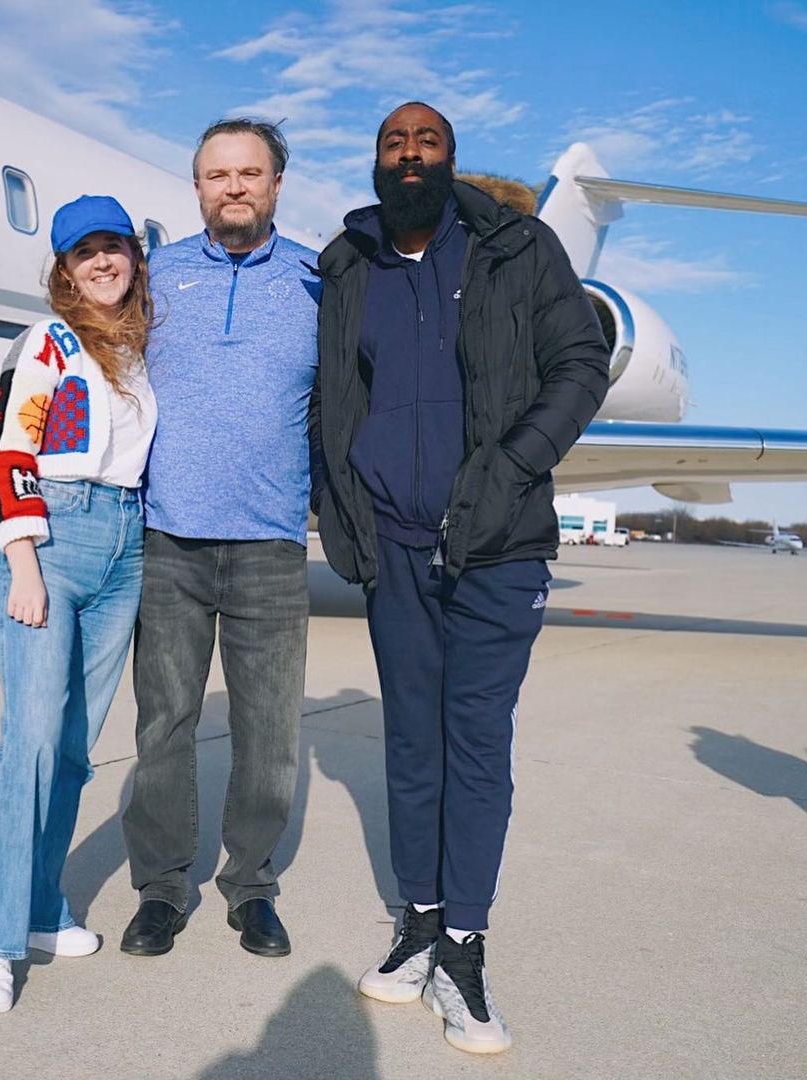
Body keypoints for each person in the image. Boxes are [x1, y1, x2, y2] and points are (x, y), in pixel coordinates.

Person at [311, 103, 610, 1053]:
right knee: (410, 744)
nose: (409, 155)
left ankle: (466, 949)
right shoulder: (349, 263)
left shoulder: (518, 251)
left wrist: (510, 468)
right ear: (376, 162)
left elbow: (579, 364)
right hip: (392, 546)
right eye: (393, 144)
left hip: (499, 544)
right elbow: (329, 395)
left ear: (451, 159)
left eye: (426, 142)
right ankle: (420, 923)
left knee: (476, 746)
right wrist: (340, 516)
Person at [119, 119, 320, 959]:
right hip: (170, 540)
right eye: (216, 175)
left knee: (269, 732)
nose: (233, 187)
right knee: (162, 724)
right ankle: (162, 889)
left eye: (249, 173)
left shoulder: (319, 282)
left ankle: (250, 887)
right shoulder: (155, 279)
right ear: (196, 187)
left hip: (271, 545)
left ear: (277, 183)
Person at [0, 195, 157, 1013]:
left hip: (126, 543)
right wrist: (25, 562)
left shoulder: (143, 356)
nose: (104, 262)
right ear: (65, 269)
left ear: (132, 261)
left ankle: (43, 908)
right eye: (87, 253)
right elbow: (7, 451)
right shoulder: (47, 343)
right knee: (31, 741)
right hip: (52, 538)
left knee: (75, 747)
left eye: (115, 248)